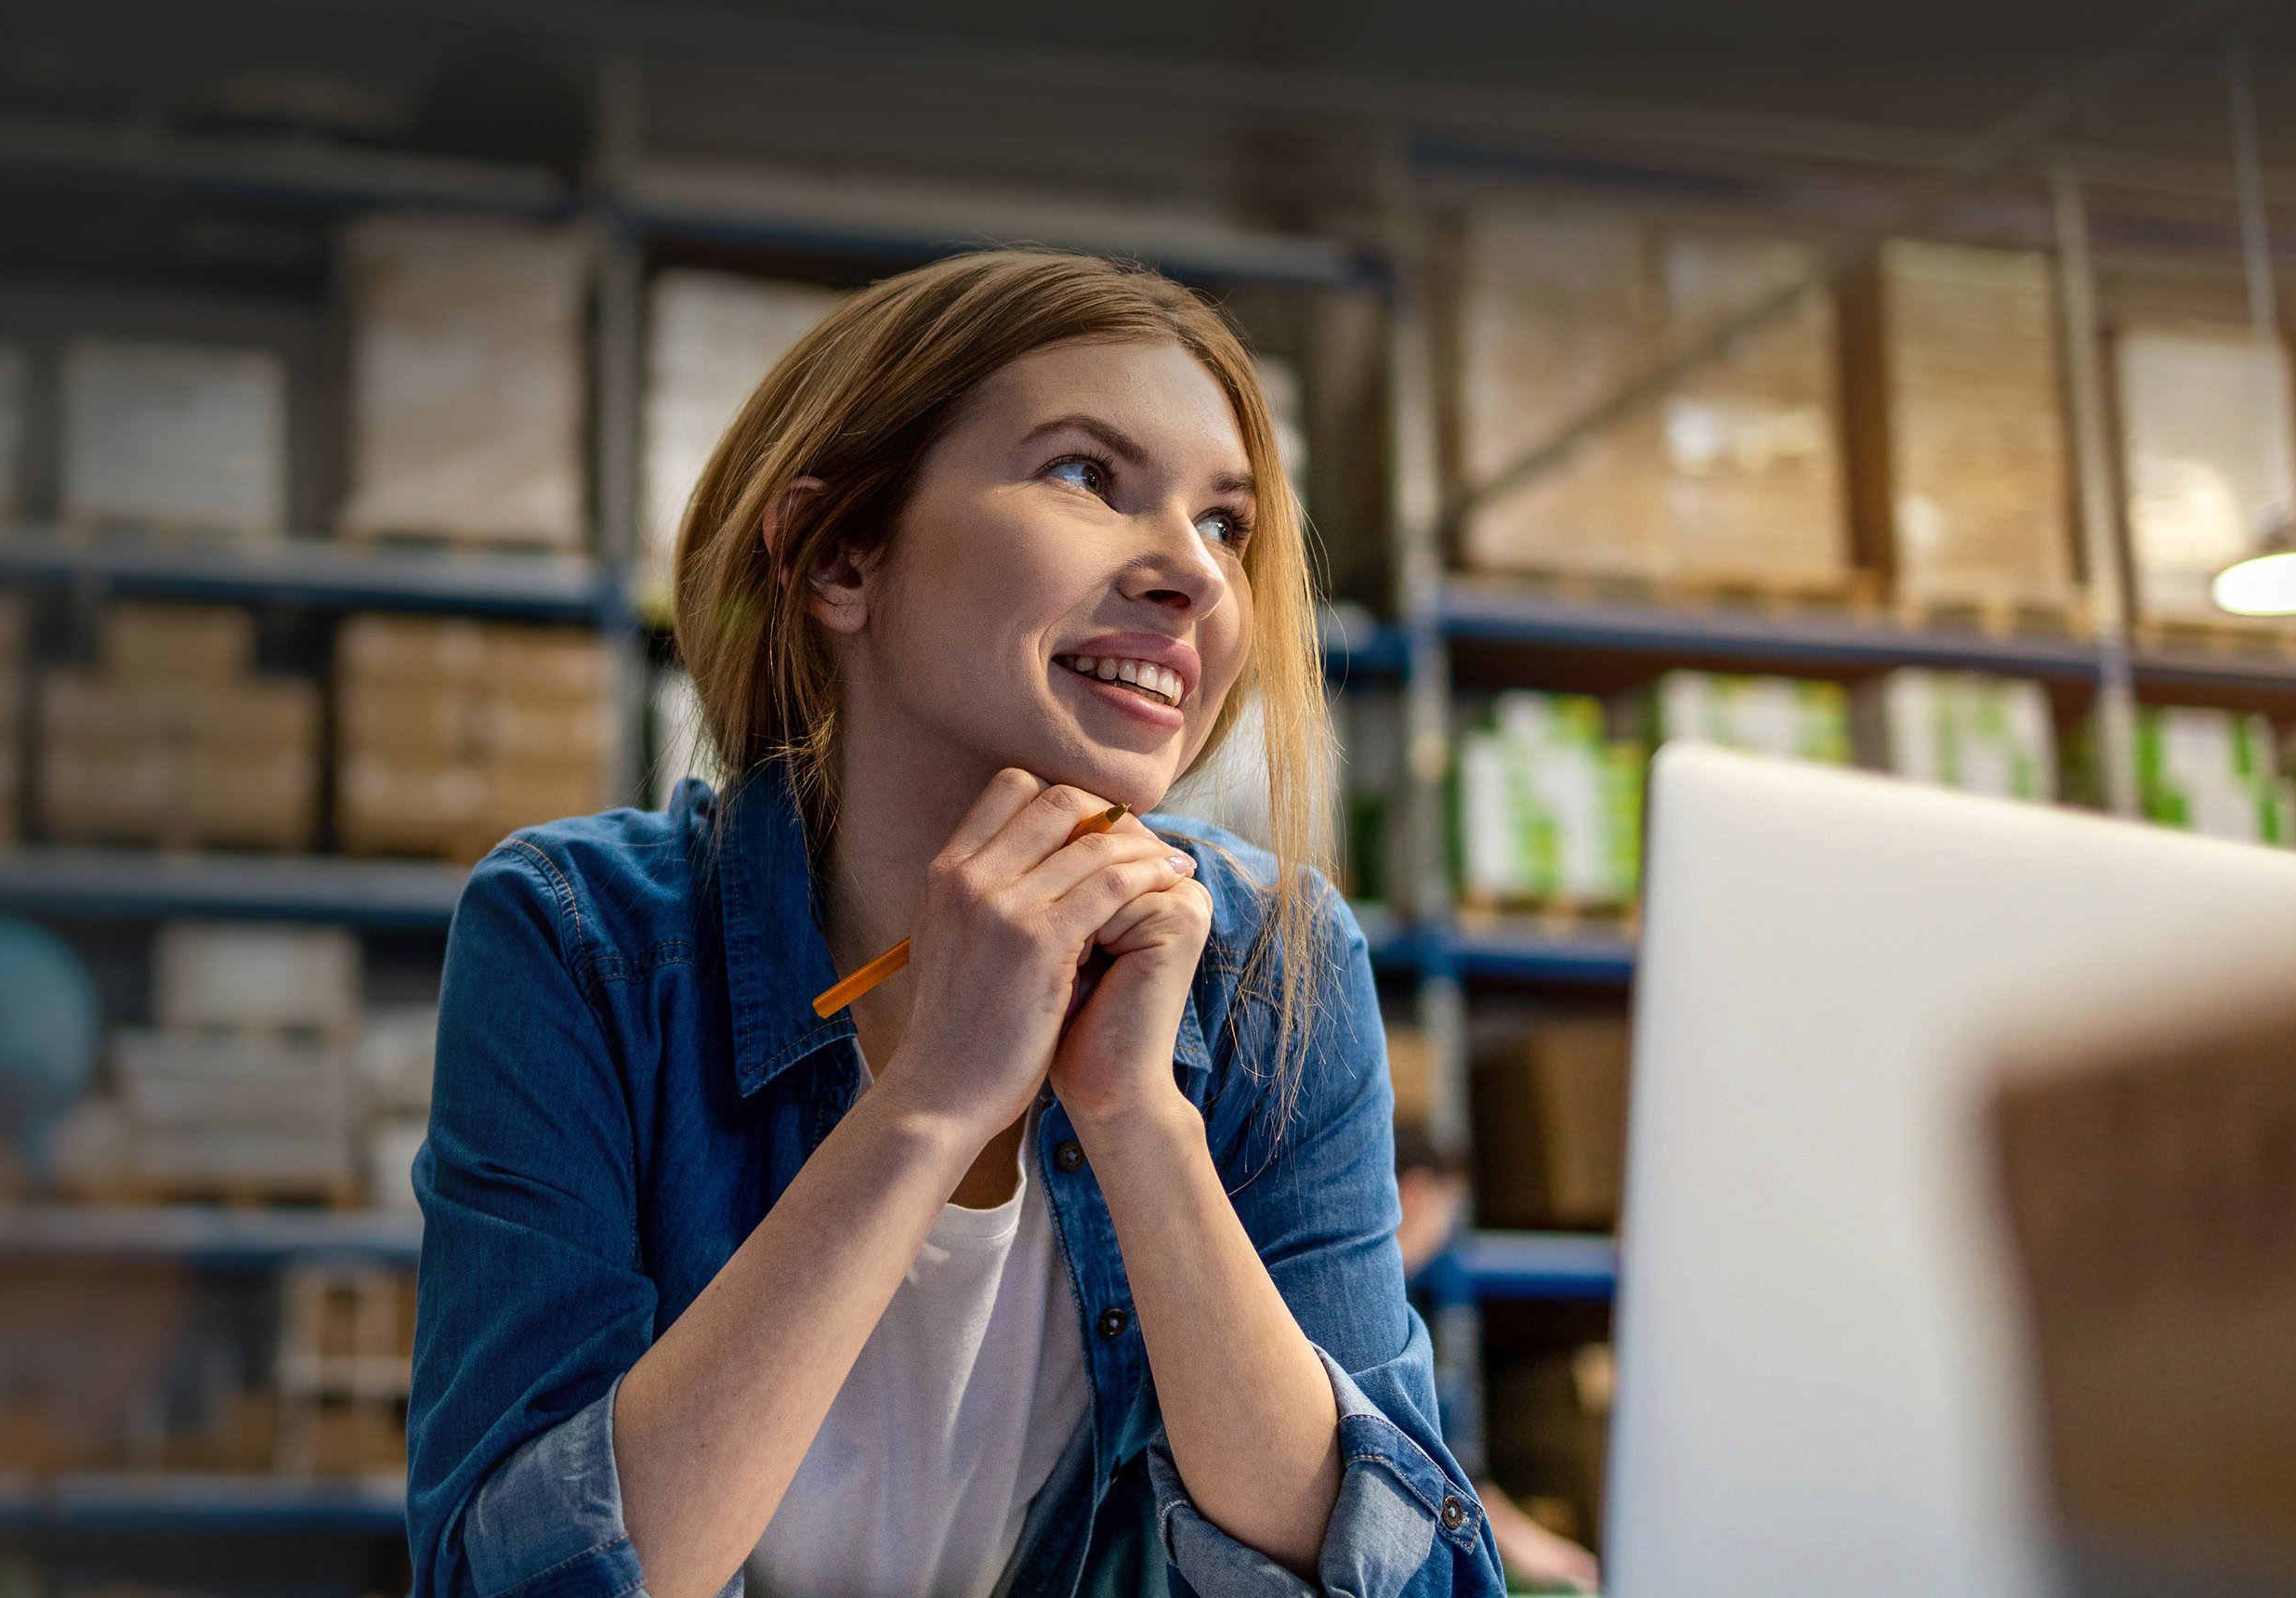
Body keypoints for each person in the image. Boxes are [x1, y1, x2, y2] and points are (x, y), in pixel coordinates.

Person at [405, 249, 1502, 1598]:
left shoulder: (1274, 965)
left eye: (1227, 524)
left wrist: (1144, 1123)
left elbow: (1408, 1585)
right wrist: (927, 1102)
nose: (1196, 578)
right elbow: (508, 1581)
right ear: (841, 557)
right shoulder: (582, 944)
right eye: (1088, 477)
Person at [1393, 1125, 1606, 1593]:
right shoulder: (1389, 1311)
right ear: (1418, 1193)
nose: (1446, 1231)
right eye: (1448, 1209)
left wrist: (1546, 1553)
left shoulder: (1413, 1304)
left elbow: (1462, 1474)